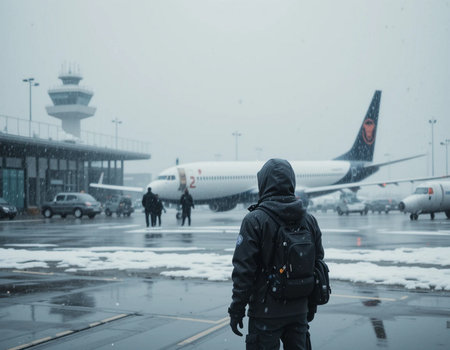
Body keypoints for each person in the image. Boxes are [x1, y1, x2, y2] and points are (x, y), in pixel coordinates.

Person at [228, 158, 324, 350]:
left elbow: (244, 271)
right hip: (299, 310)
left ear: (263, 183)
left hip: (266, 313)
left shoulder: (255, 220)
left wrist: (237, 309)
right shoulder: (309, 220)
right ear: (291, 181)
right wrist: (309, 305)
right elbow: (317, 265)